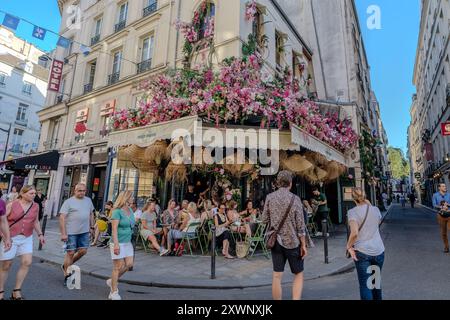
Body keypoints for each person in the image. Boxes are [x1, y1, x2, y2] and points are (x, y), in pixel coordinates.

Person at [262, 171, 307, 300]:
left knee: (277, 276)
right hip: (293, 242)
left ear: (278, 183)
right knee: (298, 273)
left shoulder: (270, 197)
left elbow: (264, 219)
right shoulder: (295, 199)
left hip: (276, 241)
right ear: (290, 183)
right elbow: (300, 225)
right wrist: (303, 244)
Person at [0, 186, 45, 300]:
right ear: (23, 193)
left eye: (34, 193)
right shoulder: (12, 204)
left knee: (27, 262)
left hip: (27, 238)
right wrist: (5, 237)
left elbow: (35, 222)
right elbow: (2, 221)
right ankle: (0, 291)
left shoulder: (36, 206)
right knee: (6, 265)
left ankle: (16, 291)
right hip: (11, 237)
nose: (34, 195)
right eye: (31, 193)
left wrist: (40, 234)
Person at [346, 188, 385, 300]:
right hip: (378, 251)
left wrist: (348, 246)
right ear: (365, 196)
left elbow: (354, 233)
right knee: (375, 283)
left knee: (365, 286)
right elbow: (377, 224)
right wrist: (368, 205)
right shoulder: (375, 209)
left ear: (353, 199)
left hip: (362, 252)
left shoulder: (352, 212)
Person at [59, 183, 95, 287]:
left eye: (83, 191)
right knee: (70, 253)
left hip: (84, 231)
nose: (82, 193)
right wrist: (63, 233)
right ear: (75, 191)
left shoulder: (88, 200)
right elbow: (62, 218)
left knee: (83, 251)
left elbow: (91, 213)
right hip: (71, 232)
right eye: (79, 191)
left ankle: (65, 266)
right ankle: (67, 274)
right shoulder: (68, 202)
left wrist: (92, 227)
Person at [106, 191, 135, 300]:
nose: (133, 198)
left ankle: (112, 281)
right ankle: (113, 292)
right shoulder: (117, 212)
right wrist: (116, 244)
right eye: (131, 197)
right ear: (126, 198)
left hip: (127, 242)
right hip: (117, 242)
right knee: (117, 267)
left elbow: (131, 224)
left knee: (129, 265)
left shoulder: (130, 210)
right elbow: (114, 229)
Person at [432, 183, 450, 253]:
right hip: (441, 215)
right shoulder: (435, 195)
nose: (445, 187)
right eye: (443, 186)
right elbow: (434, 205)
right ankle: (446, 247)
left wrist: (447, 205)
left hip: (449, 215)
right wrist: (441, 207)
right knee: (444, 233)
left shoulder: (449, 195)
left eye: (445, 186)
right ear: (439, 188)